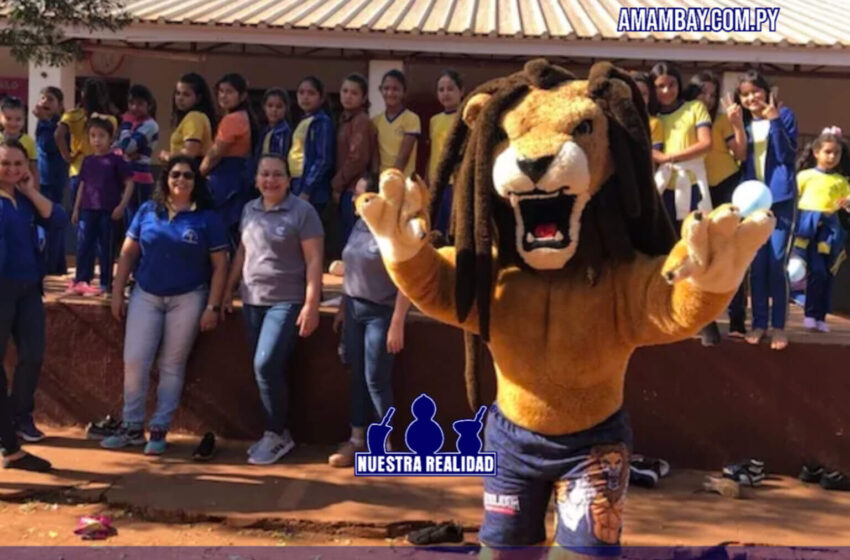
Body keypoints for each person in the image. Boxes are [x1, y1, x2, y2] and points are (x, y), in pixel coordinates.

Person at [104, 156, 228, 455]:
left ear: (196, 182)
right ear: (166, 179)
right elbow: (128, 254)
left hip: (188, 298)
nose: (181, 180)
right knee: (135, 360)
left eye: (188, 175)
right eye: (175, 174)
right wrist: (117, 293)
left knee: (171, 365)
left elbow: (220, 266)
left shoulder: (208, 218)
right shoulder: (148, 210)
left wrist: (212, 306)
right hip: (145, 294)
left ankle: (159, 428)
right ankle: (133, 427)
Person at [223, 154, 323, 465]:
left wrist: (311, 304)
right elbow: (242, 252)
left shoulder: (303, 212)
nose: (270, 180)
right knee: (269, 370)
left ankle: (276, 433)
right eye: (264, 174)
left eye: (277, 175)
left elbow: (315, 261)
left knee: (265, 365)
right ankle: (276, 432)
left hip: (286, 301)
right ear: (255, 180)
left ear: (288, 180)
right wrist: (228, 290)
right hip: (252, 300)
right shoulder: (249, 209)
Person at [328, 173, 411, 468]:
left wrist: (397, 321)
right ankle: (356, 439)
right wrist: (341, 308)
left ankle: (383, 444)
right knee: (356, 375)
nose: (360, 201)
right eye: (357, 196)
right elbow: (351, 270)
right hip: (353, 310)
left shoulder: (393, 230)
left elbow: (406, 280)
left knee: (375, 378)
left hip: (381, 312)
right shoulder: (358, 226)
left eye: (366, 196)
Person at [0, 139, 67, 445]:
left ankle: (19, 416)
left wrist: (29, 190)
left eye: (18, 163)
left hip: (28, 289)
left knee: (32, 354)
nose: (12, 169)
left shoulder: (25, 200)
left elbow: (58, 219)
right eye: (5, 163)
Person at [730, 70, 798, 350]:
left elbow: (786, 155)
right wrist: (735, 124)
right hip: (752, 202)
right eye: (745, 94)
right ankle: (759, 323)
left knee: (776, 263)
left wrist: (774, 121)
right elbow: (742, 156)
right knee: (757, 266)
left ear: (767, 91)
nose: (751, 98)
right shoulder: (744, 121)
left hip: (781, 199)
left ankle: (779, 326)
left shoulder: (785, 115)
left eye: (755, 91)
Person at [688, 70, 748, 343]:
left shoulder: (722, 120)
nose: (709, 99)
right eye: (704, 93)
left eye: (713, 94)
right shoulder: (685, 115)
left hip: (726, 185)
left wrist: (737, 124)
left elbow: (741, 154)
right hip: (696, 189)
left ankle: (737, 320)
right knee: (700, 254)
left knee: (730, 251)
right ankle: (701, 319)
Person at [792, 127, 850, 333]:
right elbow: (794, 200)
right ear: (816, 152)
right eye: (828, 151)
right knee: (809, 270)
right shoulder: (804, 176)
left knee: (825, 273)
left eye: (837, 152)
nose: (832, 156)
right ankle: (809, 312)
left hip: (828, 229)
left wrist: (847, 202)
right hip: (807, 226)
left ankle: (820, 315)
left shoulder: (841, 181)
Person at [69, 117, 134, 296]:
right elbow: (83, 184)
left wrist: (122, 206)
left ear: (111, 138)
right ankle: (81, 280)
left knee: (106, 247)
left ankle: (106, 282)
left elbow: (130, 183)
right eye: (93, 136)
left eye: (101, 136)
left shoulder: (116, 160)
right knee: (84, 245)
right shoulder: (87, 160)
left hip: (108, 210)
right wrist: (76, 208)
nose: (97, 140)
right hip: (88, 210)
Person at [201, 73, 259, 250]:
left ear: (242, 96)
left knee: (222, 232)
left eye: (229, 92)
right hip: (238, 177)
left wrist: (198, 174)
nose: (223, 96)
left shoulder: (232, 119)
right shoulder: (245, 117)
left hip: (226, 180)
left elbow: (215, 154)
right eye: (220, 91)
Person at [56, 78, 117, 208]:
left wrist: (67, 156)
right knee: (100, 214)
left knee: (77, 213)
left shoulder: (72, 115)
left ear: (83, 94)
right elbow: (112, 144)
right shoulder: (110, 120)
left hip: (77, 168)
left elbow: (58, 135)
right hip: (102, 170)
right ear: (104, 96)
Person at [332, 73, 376, 247]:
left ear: (363, 97)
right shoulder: (344, 120)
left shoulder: (361, 122)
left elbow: (357, 158)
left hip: (354, 189)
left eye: (354, 93)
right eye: (345, 91)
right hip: (345, 188)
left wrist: (337, 184)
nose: (348, 96)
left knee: (353, 240)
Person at [32, 87, 69, 276]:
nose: (45, 101)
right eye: (43, 98)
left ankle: (50, 266)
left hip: (52, 180)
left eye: (51, 99)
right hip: (42, 179)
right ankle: (57, 266)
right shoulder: (43, 123)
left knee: (51, 223)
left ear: (60, 105)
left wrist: (45, 120)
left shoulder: (58, 125)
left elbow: (48, 145)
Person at [288, 76, 335, 215]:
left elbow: (323, 159)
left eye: (311, 93)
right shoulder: (302, 120)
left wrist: (307, 189)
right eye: (301, 92)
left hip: (312, 188)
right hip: (296, 182)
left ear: (321, 98)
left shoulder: (321, 122)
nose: (305, 97)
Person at [115, 84, 159, 225]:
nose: (134, 107)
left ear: (149, 105)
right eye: (131, 103)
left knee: (137, 222)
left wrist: (126, 125)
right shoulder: (136, 123)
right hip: (127, 177)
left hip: (140, 180)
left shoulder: (150, 125)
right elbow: (116, 148)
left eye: (139, 104)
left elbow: (127, 147)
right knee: (128, 221)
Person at [428, 71, 463, 238]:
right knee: (436, 229)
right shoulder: (434, 120)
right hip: (437, 183)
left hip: (455, 182)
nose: (445, 93)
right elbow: (432, 151)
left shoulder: (465, 117)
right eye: (441, 89)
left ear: (461, 91)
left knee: (455, 228)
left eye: (450, 89)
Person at [373, 70, 420, 177]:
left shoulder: (411, 119)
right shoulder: (375, 121)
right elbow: (375, 157)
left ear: (404, 92)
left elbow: (403, 157)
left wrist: (391, 180)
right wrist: (375, 178)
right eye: (386, 88)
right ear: (381, 90)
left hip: (402, 180)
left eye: (395, 89)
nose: (390, 93)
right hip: (381, 180)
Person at [159, 72, 216, 162]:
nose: (180, 98)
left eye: (186, 95)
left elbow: (189, 153)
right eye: (178, 93)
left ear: (198, 98)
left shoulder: (194, 117)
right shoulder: (192, 117)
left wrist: (166, 156)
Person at [0, 97, 39, 188]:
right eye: (8, 118)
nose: (13, 123)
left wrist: (35, 190)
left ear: (24, 119)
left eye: (18, 119)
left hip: (22, 186)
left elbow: (33, 169)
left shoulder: (29, 141)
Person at [630, 71, 665, 165]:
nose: (639, 98)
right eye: (635, 93)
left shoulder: (654, 123)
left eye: (644, 94)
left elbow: (654, 155)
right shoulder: (618, 121)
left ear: (650, 97)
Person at [258, 88, 292, 160]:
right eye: (270, 106)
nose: (274, 110)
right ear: (264, 107)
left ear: (286, 109)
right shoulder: (265, 131)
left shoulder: (284, 132)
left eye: (279, 107)